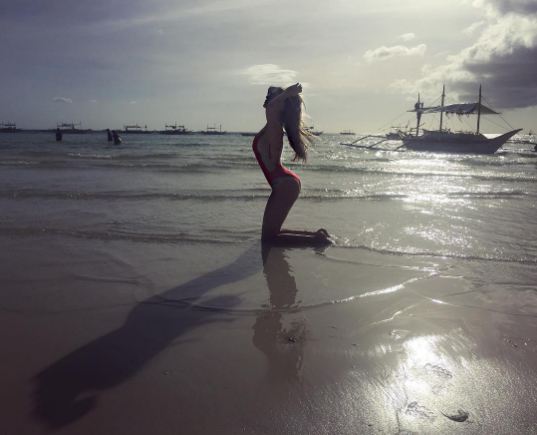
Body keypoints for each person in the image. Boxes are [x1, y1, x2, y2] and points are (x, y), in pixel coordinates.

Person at [253, 83, 331, 246]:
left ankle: (319, 242)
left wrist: (287, 93)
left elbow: (272, 108)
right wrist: (283, 96)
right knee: (272, 234)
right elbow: (271, 107)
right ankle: (317, 236)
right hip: (284, 183)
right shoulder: (272, 125)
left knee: (268, 239)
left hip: (284, 184)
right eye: (268, 95)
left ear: (280, 105)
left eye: (271, 96)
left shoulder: (274, 126)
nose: (268, 98)